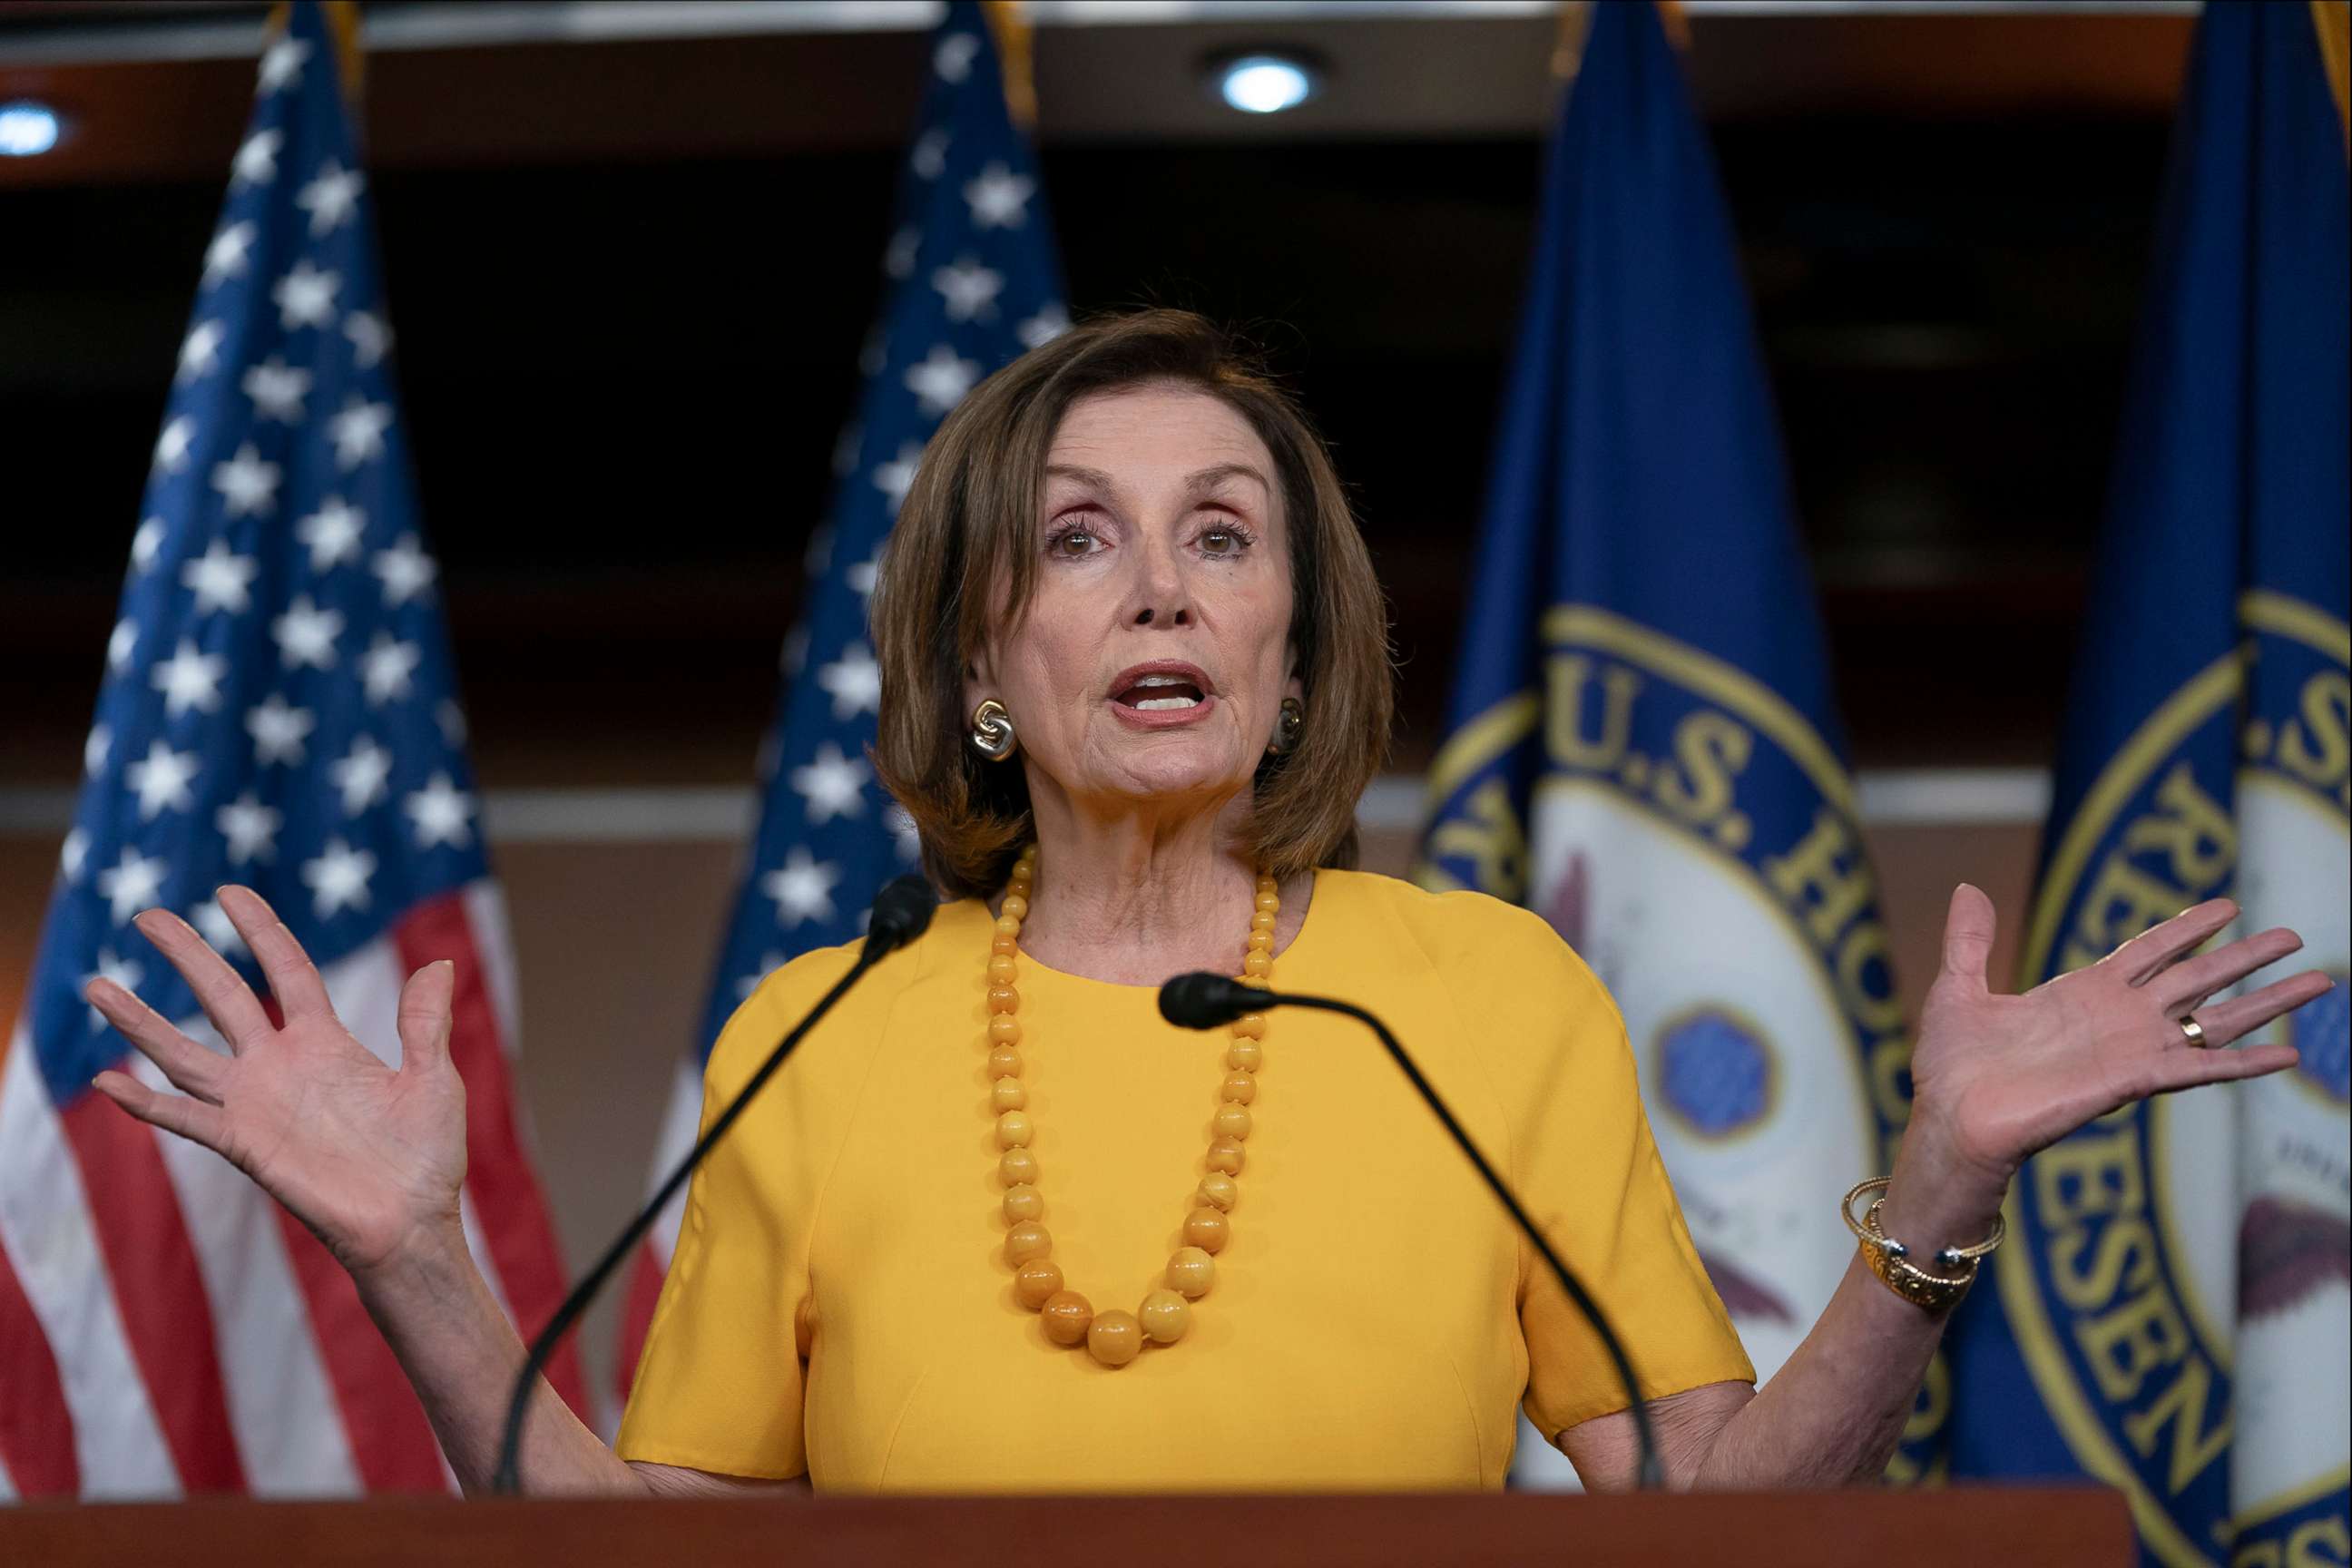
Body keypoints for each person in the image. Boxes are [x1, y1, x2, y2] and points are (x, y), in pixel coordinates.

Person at [87, 309, 2329, 1496]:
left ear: (1286, 651)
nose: (1160, 584)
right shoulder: (813, 1024)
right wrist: (415, 1260)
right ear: (982, 666)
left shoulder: (1478, 994)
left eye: (1224, 535)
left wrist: (1935, 1186)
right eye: (1076, 539)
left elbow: (1703, 1505)